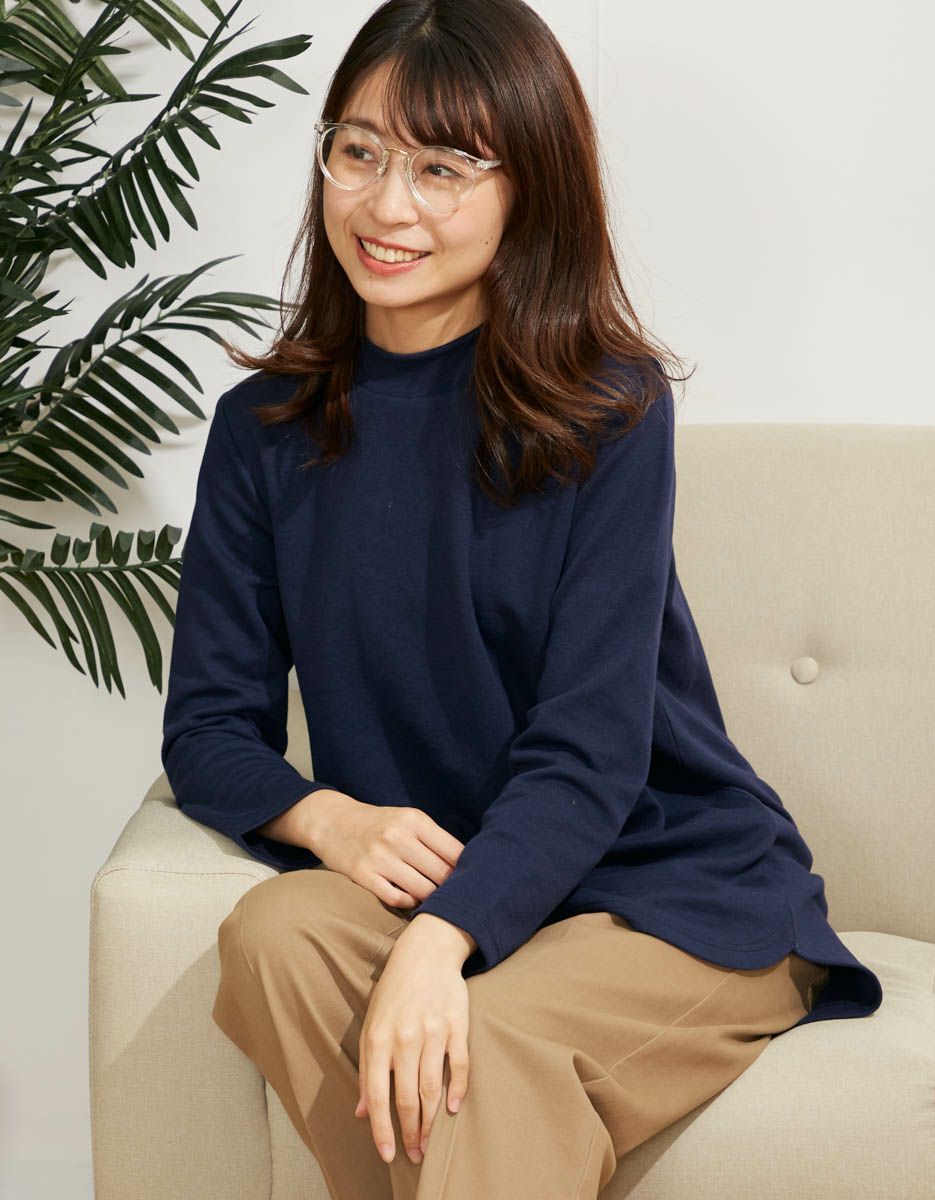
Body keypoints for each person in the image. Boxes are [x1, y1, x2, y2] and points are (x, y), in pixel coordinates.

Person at [160, 1, 883, 1196]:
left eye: (443, 169)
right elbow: (206, 730)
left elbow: (592, 747)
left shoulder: (610, 410)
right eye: (360, 152)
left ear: (526, 191)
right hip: (454, 882)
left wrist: (441, 942)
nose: (388, 205)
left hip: (663, 888)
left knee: (480, 1046)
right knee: (274, 935)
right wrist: (331, 823)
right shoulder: (265, 432)